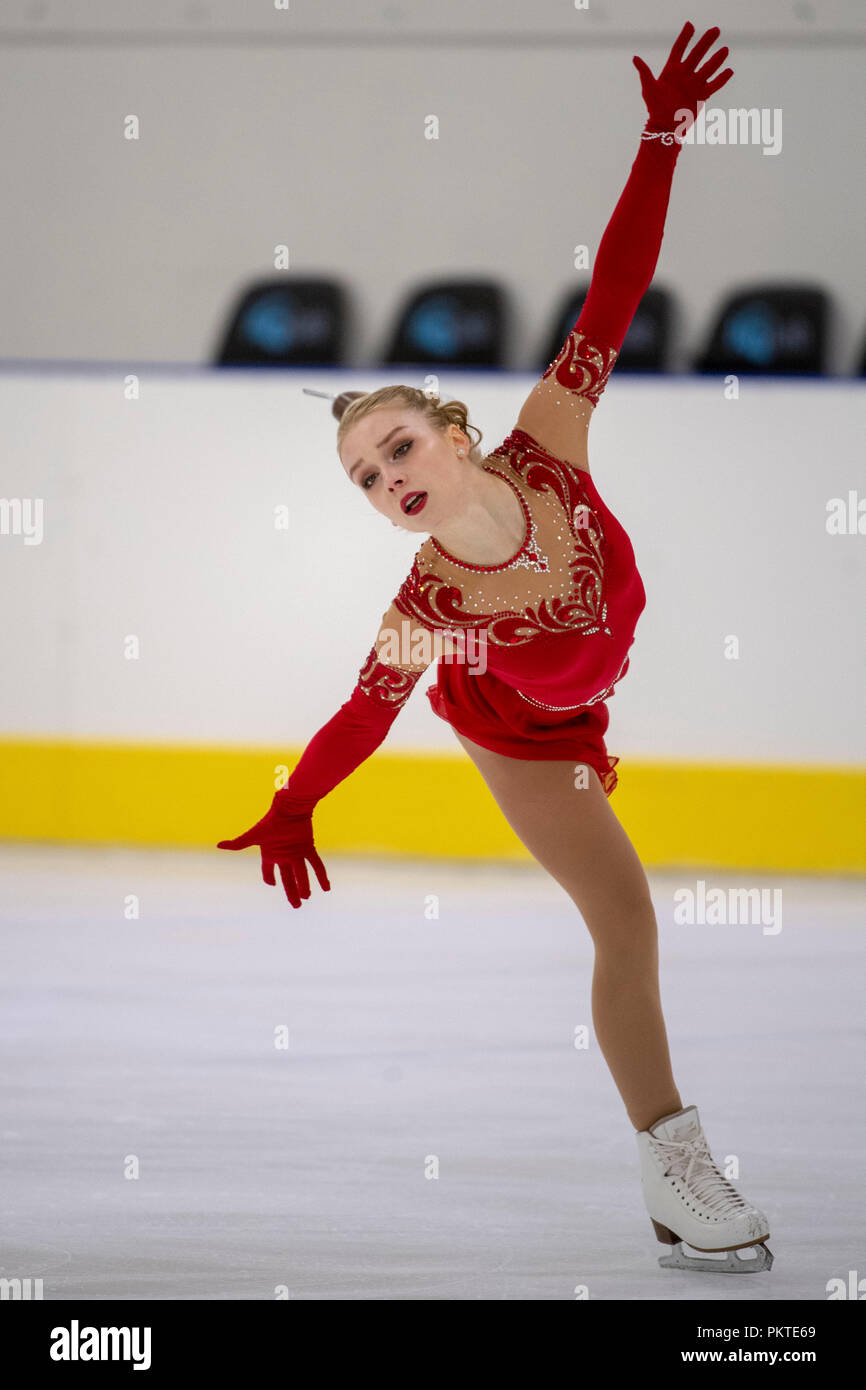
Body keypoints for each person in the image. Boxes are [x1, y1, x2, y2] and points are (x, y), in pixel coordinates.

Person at [218, 22, 773, 1276]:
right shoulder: (426, 604)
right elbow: (363, 714)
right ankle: (674, 1169)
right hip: (521, 733)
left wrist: (662, 136)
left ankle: (668, 1169)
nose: (386, 479)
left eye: (398, 448)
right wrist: (297, 799)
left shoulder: (550, 436)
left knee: (631, 920)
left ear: (453, 436)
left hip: (590, 684)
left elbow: (618, 287)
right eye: (366, 478)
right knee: (626, 923)